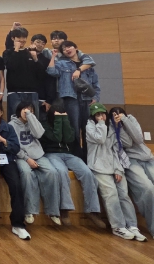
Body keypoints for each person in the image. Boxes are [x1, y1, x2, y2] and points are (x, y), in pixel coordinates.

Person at [41, 100, 106, 228]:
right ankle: (64, 209)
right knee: (62, 172)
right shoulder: (44, 124)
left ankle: (92, 210)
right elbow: (56, 137)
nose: (60, 116)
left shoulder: (67, 122)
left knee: (87, 173)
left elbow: (69, 138)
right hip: (52, 154)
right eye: (57, 114)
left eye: (62, 114)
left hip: (69, 154)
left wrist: (64, 121)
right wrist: (59, 120)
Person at [86, 103, 146, 241]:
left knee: (124, 195)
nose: (101, 117)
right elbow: (100, 139)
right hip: (99, 167)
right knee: (111, 195)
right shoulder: (90, 127)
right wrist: (101, 124)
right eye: (97, 115)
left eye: (103, 114)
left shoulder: (112, 128)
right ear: (93, 117)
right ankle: (118, 226)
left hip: (115, 166)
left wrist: (118, 168)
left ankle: (132, 226)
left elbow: (118, 149)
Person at [0, 101, 31, 240]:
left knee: (16, 185)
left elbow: (15, 148)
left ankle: (18, 224)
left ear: (1, 112)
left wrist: (3, 141)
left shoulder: (8, 127)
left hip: (7, 160)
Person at [8, 101, 62, 226]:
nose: (27, 111)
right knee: (27, 174)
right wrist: (27, 159)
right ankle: (29, 211)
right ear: (19, 110)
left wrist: (31, 117)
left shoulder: (33, 121)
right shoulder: (11, 125)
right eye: (24, 109)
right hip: (21, 157)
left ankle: (53, 211)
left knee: (52, 172)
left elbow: (39, 134)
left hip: (38, 155)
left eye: (30, 110)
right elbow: (14, 146)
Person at [47, 41, 99, 160]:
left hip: (87, 99)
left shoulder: (87, 64)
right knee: (74, 129)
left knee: (88, 129)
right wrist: (53, 56)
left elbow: (95, 83)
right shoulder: (62, 63)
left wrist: (96, 97)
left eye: (69, 46)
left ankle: (89, 157)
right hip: (71, 99)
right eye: (64, 49)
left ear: (76, 48)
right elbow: (51, 71)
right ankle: (77, 157)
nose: (67, 49)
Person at [110, 107, 154, 239]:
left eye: (121, 114)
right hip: (131, 161)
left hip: (147, 158)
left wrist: (125, 120)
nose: (118, 116)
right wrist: (118, 126)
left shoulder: (131, 119)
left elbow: (139, 139)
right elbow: (128, 143)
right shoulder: (112, 127)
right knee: (148, 188)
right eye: (115, 115)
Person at [3, 25, 44, 120]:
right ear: (13, 38)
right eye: (19, 38)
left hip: (32, 92)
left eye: (24, 38)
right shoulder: (8, 52)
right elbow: (11, 66)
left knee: (33, 121)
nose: (22, 40)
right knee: (15, 120)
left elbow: (41, 74)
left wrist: (35, 58)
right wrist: (16, 50)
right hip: (15, 93)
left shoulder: (30, 52)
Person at [30, 34, 57, 115]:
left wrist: (49, 100)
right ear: (31, 42)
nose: (40, 45)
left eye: (43, 43)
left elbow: (50, 81)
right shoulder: (23, 57)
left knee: (41, 120)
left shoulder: (46, 61)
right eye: (38, 42)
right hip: (24, 95)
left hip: (41, 98)